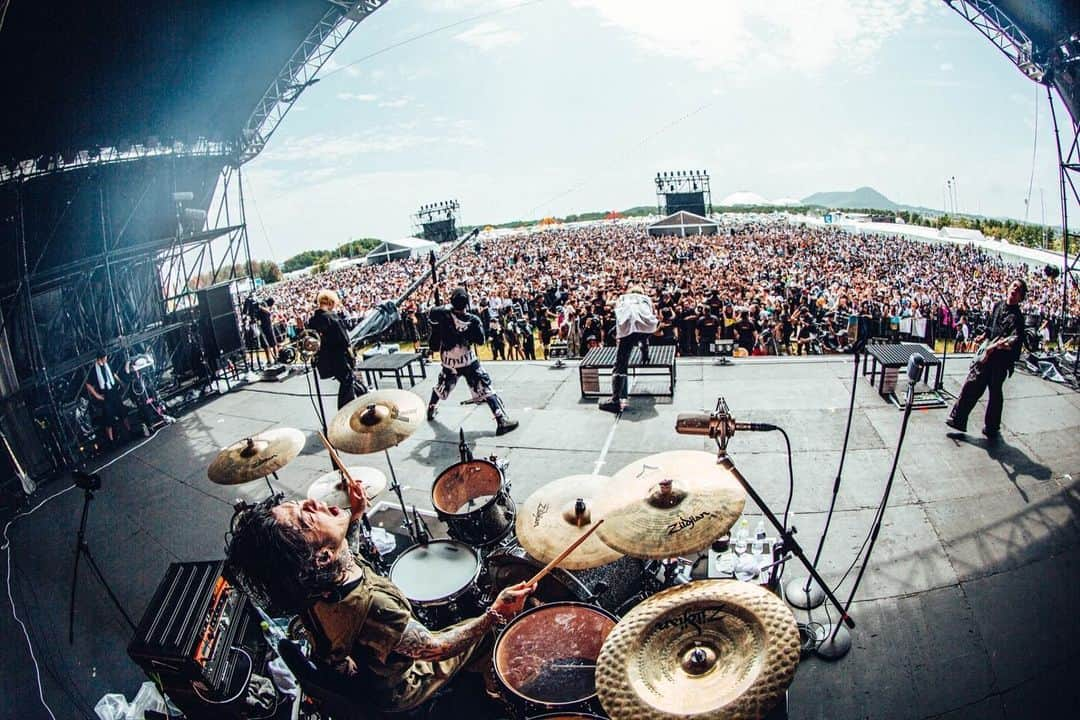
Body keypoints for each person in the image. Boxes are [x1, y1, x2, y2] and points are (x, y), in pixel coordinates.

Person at [225, 486, 534, 714]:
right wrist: (495, 613)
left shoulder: (309, 586)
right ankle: (496, 696)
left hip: (364, 673)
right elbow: (435, 648)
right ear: (321, 556)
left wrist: (355, 517)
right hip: (402, 690)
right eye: (306, 519)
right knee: (490, 635)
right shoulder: (375, 606)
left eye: (300, 504)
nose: (312, 502)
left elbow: (349, 556)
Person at [427, 287, 519, 435]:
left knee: (443, 384)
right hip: (468, 360)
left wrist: (439, 300)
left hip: (449, 361)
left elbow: (431, 313)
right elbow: (481, 340)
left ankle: (431, 409)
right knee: (485, 386)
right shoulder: (473, 320)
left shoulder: (442, 314)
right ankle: (501, 420)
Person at [946, 279, 1027, 439]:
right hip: (987, 357)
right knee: (971, 385)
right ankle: (958, 419)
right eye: (1013, 286)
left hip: (1000, 361)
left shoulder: (1017, 318)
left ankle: (992, 427)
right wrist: (983, 337)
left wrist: (995, 347)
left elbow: (1013, 341)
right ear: (1008, 288)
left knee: (995, 392)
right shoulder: (997, 306)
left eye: (1018, 290)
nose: (1014, 290)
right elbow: (991, 328)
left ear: (1021, 297)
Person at [599, 284, 658, 413]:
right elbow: (653, 312)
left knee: (620, 363)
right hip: (646, 326)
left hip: (628, 327)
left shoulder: (623, 298)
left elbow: (610, 304)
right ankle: (645, 354)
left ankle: (615, 400)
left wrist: (609, 296)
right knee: (643, 337)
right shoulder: (646, 298)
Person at [307, 289, 358, 409]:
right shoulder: (332, 317)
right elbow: (345, 340)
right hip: (339, 358)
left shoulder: (313, 320)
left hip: (324, 361)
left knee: (348, 383)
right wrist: (352, 355)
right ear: (330, 302)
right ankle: (344, 412)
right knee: (347, 381)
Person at [84, 349, 128, 443]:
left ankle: (128, 430)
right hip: (105, 395)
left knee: (122, 411)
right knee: (108, 418)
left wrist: (121, 382)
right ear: (100, 358)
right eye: (105, 357)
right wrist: (97, 396)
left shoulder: (107, 365)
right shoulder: (94, 370)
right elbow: (88, 385)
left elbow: (113, 374)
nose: (106, 359)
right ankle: (111, 441)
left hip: (113, 391)